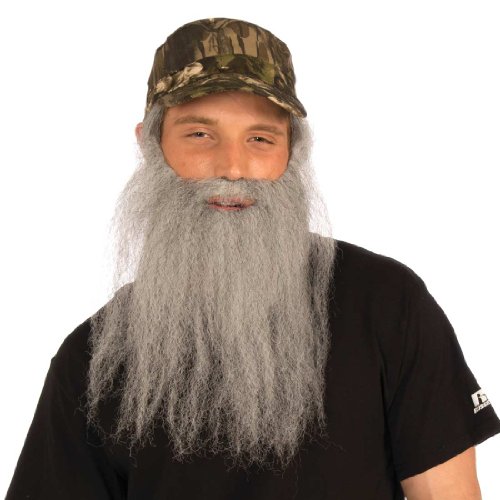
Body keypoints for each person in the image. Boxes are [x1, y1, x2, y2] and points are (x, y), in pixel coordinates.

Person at [6, 17, 500, 500]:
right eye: (200, 134)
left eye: (260, 139)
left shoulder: (386, 303)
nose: (233, 167)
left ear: (292, 152)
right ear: (150, 145)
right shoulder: (93, 359)